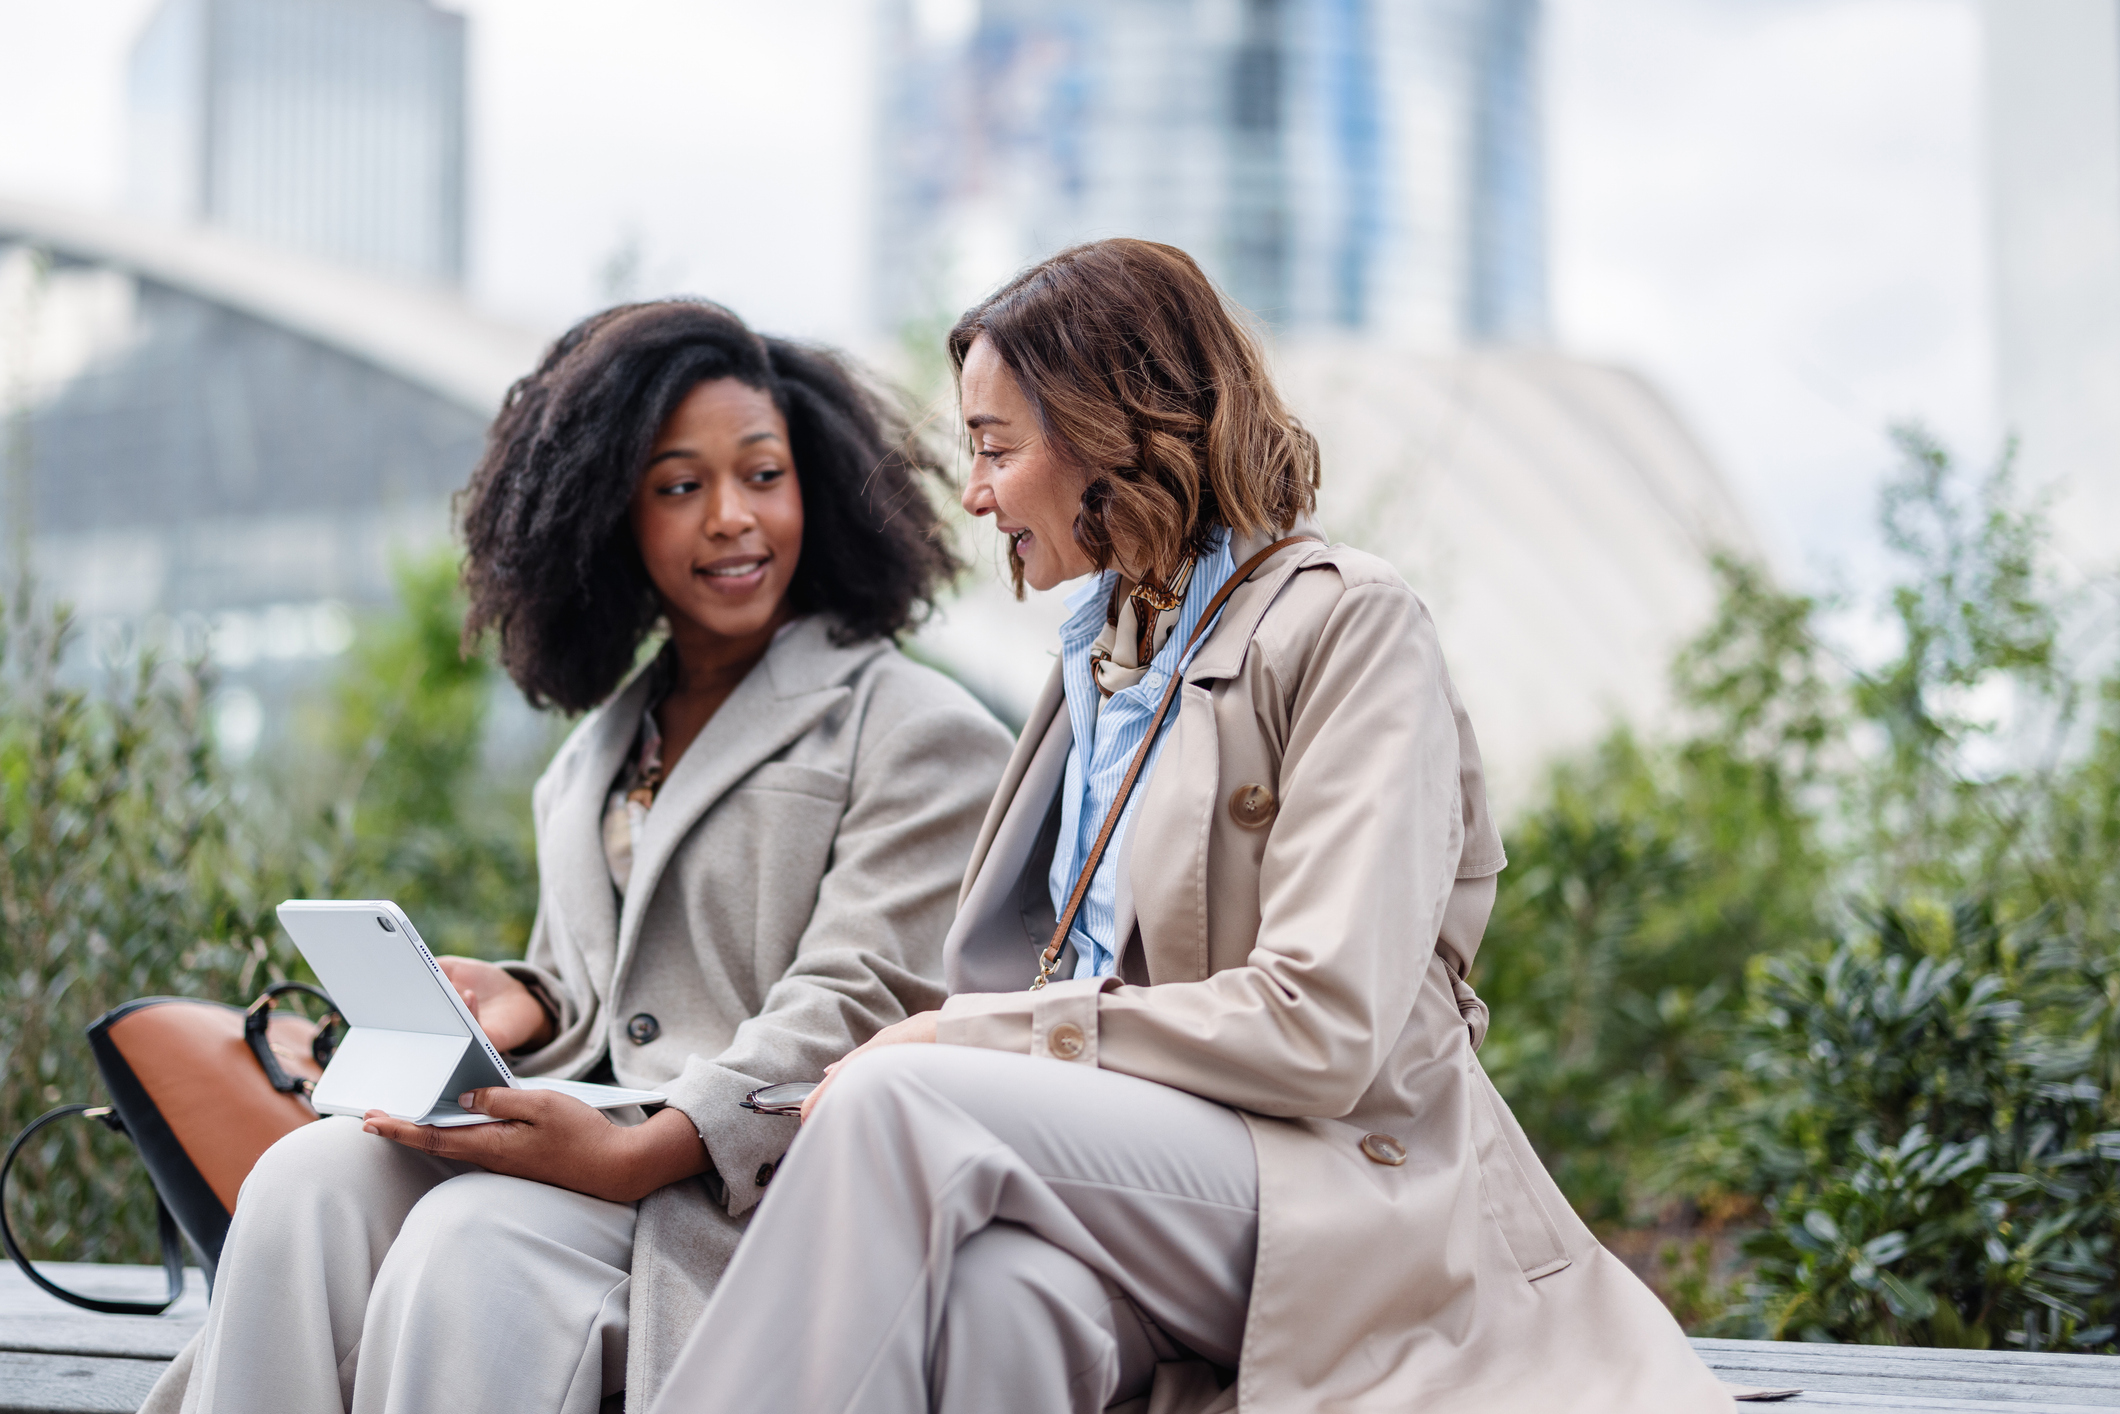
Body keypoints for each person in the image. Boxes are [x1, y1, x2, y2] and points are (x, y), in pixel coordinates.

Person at [648, 241, 1737, 1414]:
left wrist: (964, 1039)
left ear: (1111, 432)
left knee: (891, 1099)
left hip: (1335, 1179)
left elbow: (1321, 1027)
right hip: (1153, 1174)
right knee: (1003, 1302)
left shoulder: (1350, 628)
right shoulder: (1096, 659)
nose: (972, 493)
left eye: (995, 446)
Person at [140, 301, 1014, 1414]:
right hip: (591, 1143)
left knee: (465, 1241)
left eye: (762, 475)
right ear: (612, 514)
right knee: (302, 1183)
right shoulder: (596, 752)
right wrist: (525, 1000)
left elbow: (856, 1004)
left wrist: (642, 1153)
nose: (733, 520)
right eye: (678, 486)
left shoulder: (911, 728)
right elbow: (613, 995)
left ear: (819, 490)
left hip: (739, 1193)